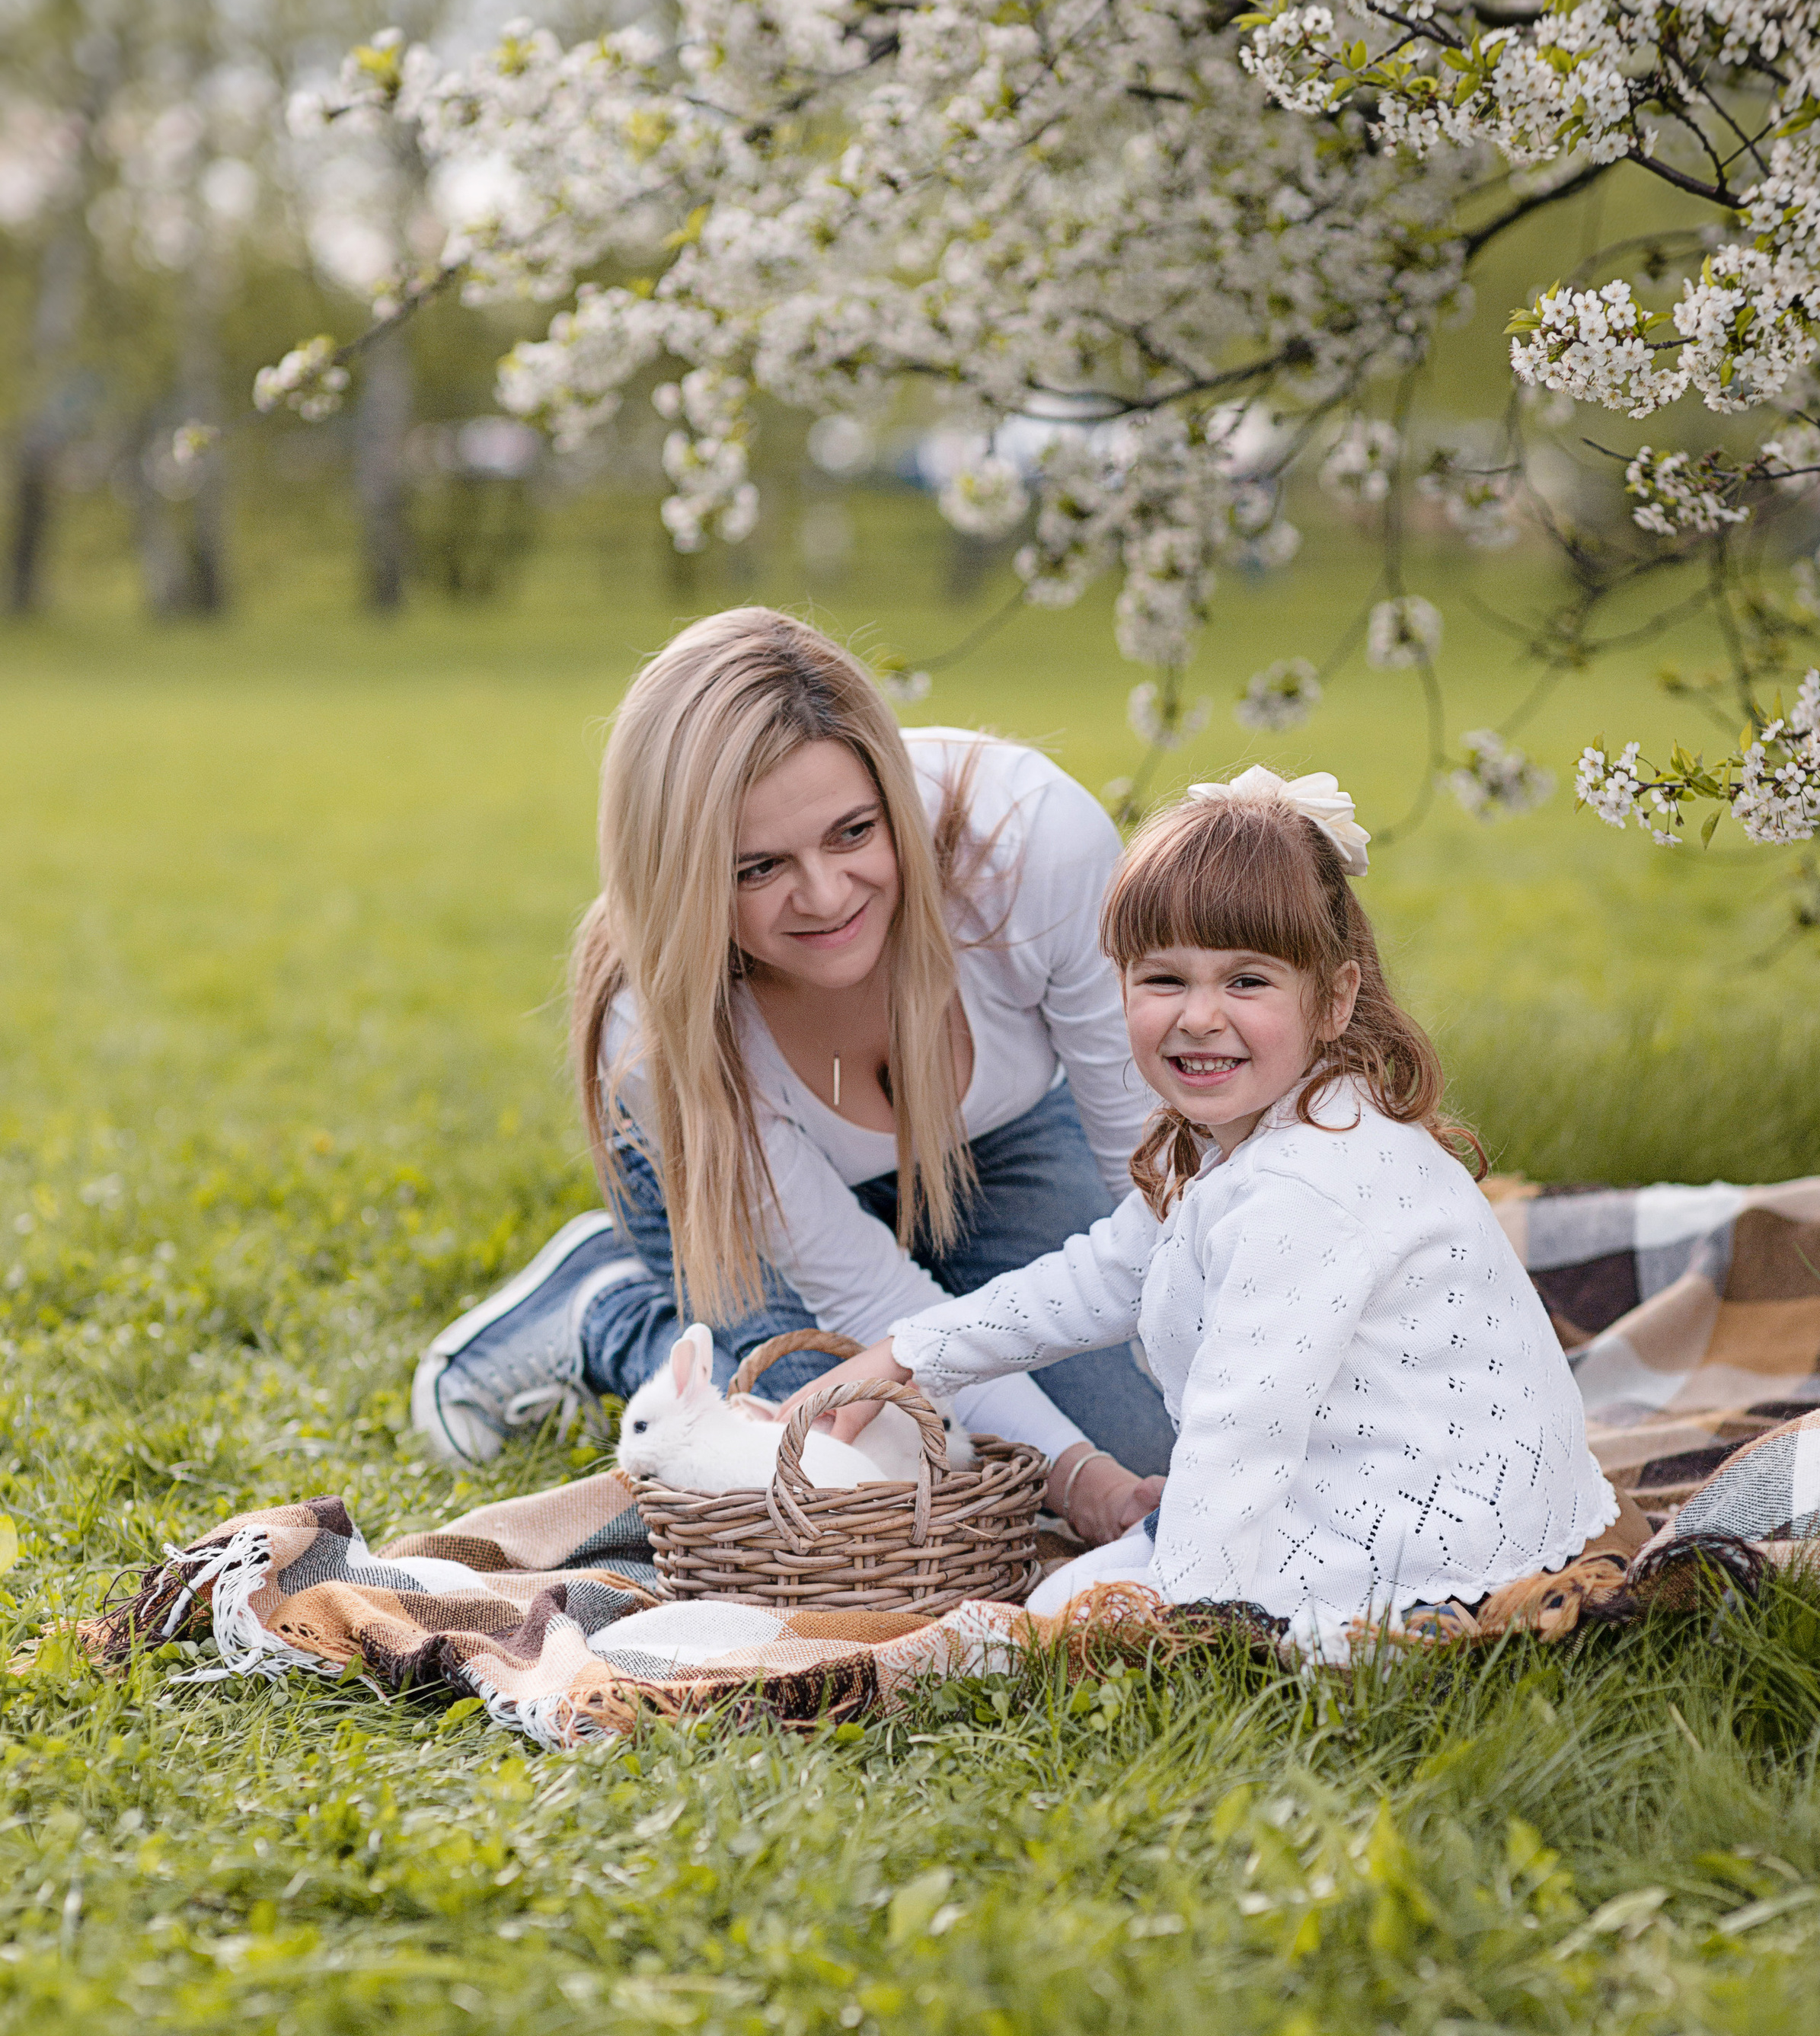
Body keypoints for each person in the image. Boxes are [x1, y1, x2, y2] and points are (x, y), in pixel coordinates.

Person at [791, 764, 1616, 1649]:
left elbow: (1242, 1428)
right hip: (1360, 1489)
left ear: (1334, 998)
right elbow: (1101, 1274)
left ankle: (1229, 1616)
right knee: (1060, 1598)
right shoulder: (1257, 1131)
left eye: (1247, 982)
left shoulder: (1309, 1185)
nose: (1199, 1017)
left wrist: (1185, 1624)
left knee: (1037, 1628)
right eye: (1163, 981)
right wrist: (910, 1352)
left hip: (1412, 1539)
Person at [410, 607, 1173, 1546]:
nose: (823, 895)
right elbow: (872, 1304)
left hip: (987, 1144)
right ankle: (605, 1311)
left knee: (1143, 1437)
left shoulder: (1032, 843)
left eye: (853, 832)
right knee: (837, 1476)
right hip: (736, 1180)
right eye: (758, 867)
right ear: (687, 878)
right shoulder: (651, 1029)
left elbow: (1158, 1179)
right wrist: (1075, 1479)